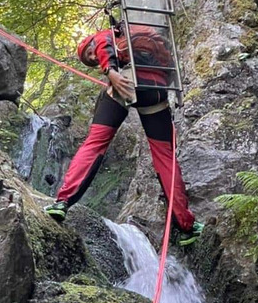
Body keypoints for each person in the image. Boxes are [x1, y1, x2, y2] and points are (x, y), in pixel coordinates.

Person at [43, 26, 204, 246]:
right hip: (156, 88)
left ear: (91, 42)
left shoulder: (106, 35)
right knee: (166, 157)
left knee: (94, 144)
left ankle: (62, 202)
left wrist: (111, 71)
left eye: (90, 54)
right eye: (90, 60)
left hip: (126, 80)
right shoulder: (138, 31)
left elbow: (103, 44)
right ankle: (186, 225)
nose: (92, 59)